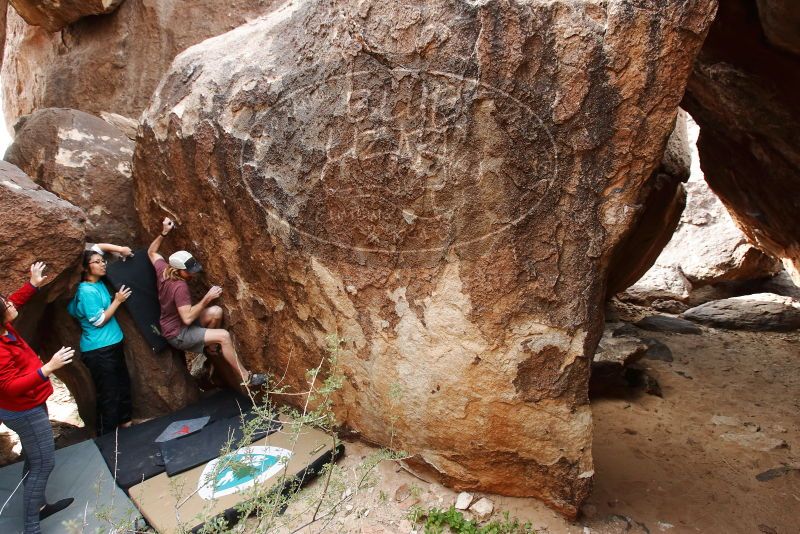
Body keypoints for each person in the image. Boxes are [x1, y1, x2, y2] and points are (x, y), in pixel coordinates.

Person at [0, 262, 75, 534]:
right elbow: (9, 387)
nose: (11, 303)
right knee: (44, 462)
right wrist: (48, 368)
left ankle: (40, 507)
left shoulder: (5, 328)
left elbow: (13, 301)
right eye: (5, 305)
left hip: (32, 402)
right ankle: (32, 528)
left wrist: (32, 283)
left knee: (35, 458)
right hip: (24, 410)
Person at [148, 217, 266, 389]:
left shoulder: (163, 270)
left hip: (178, 323)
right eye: (189, 272)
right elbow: (187, 318)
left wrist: (164, 232)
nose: (193, 274)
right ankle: (247, 378)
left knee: (216, 312)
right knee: (224, 337)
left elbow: (151, 252)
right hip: (178, 333)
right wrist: (207, 298)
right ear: (179, 271)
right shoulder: (179, 287)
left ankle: (210, 349)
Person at [67, 244, 134, 435]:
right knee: (109, 393)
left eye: (102, 260)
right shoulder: (87, 291)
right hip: (99, 350)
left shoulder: (96, 283)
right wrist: (118, 301)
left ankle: (126, 426)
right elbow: (98, 321)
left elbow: (97, 247)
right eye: (97, 262)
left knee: (122, 386)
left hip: (111, 345)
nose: (103, 264)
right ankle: (108, 436)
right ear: (86, 268)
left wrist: (121, 250)